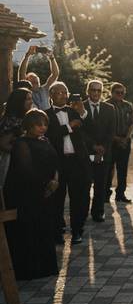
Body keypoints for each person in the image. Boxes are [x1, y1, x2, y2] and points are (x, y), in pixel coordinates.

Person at [3, 110, 60, 278]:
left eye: (45, 124)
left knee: (45, 227)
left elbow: (55, 161)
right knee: (29, 230)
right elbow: (25, 170)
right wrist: (46, 183)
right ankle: (30, 269)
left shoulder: (45, 140)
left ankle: (46, 267)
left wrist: (55, 179)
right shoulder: (21, 143)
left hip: (47, 192)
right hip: (27, 194)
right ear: (29, 125)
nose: (42, 128)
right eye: (38, 124)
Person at [45, 84, 91, 244]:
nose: (63, 95)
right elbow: (52, 135)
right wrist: (69, 127)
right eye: (59, 92)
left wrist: (83, 112)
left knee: (78, 198)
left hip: (77, 162)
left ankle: (77, 231)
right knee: (57, 199)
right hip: (58, 163)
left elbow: (86, 129)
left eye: (65, 92)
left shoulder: (74, 112)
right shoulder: (46, 115)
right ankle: (57, 231)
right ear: (51, 95)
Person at [83, 80, 116, 223]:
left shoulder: (109, 108)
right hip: (85, 152)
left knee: (101, 185)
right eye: (93, 90)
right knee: (84, 184)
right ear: (88, 91)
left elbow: (111, 131)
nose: (96, 93)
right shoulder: (80, 107)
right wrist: (93, 147)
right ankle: (82, 212)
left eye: (98, 91)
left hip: (104, 152)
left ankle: (98, 212)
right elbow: (80, 132)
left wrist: (101, 149)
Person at [107, 83, 133, 203]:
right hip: (110, 142)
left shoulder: (128, 105)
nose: (120, 95)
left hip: (125, 142)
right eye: (117, 92)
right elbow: (104, 126)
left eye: (122, 93)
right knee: (108, 169)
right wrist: (116, 138)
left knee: (123, 170)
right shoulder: (106, 105)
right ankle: (105, 194)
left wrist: (126, 139)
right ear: (112, 92)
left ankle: (120, 194)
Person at [18, 45, 60, 111]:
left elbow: (55, 74)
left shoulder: (44, 90)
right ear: (27, 82)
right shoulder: (26, 92)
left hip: (47, 118)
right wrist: (27, 55)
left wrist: (52, 58)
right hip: (32, 119)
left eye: (37, 82)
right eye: (33, 82)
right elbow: (21, 73)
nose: (35, 83)